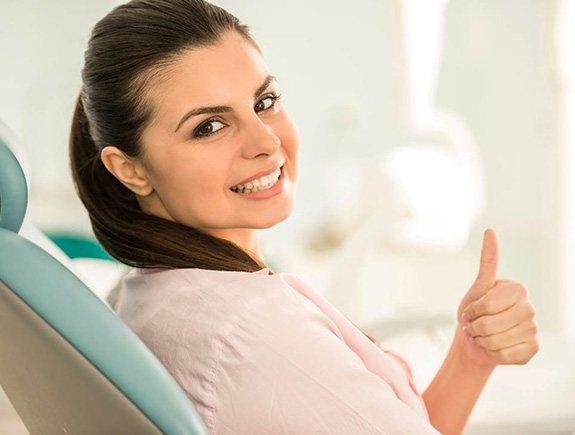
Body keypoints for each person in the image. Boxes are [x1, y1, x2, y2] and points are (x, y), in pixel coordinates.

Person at [69, 0, 540, 433]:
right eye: (209, 126)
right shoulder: (255, 329)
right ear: (129, 169)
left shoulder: (147, 293)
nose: (266, 142)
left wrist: (470, 356)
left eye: (264, 102)